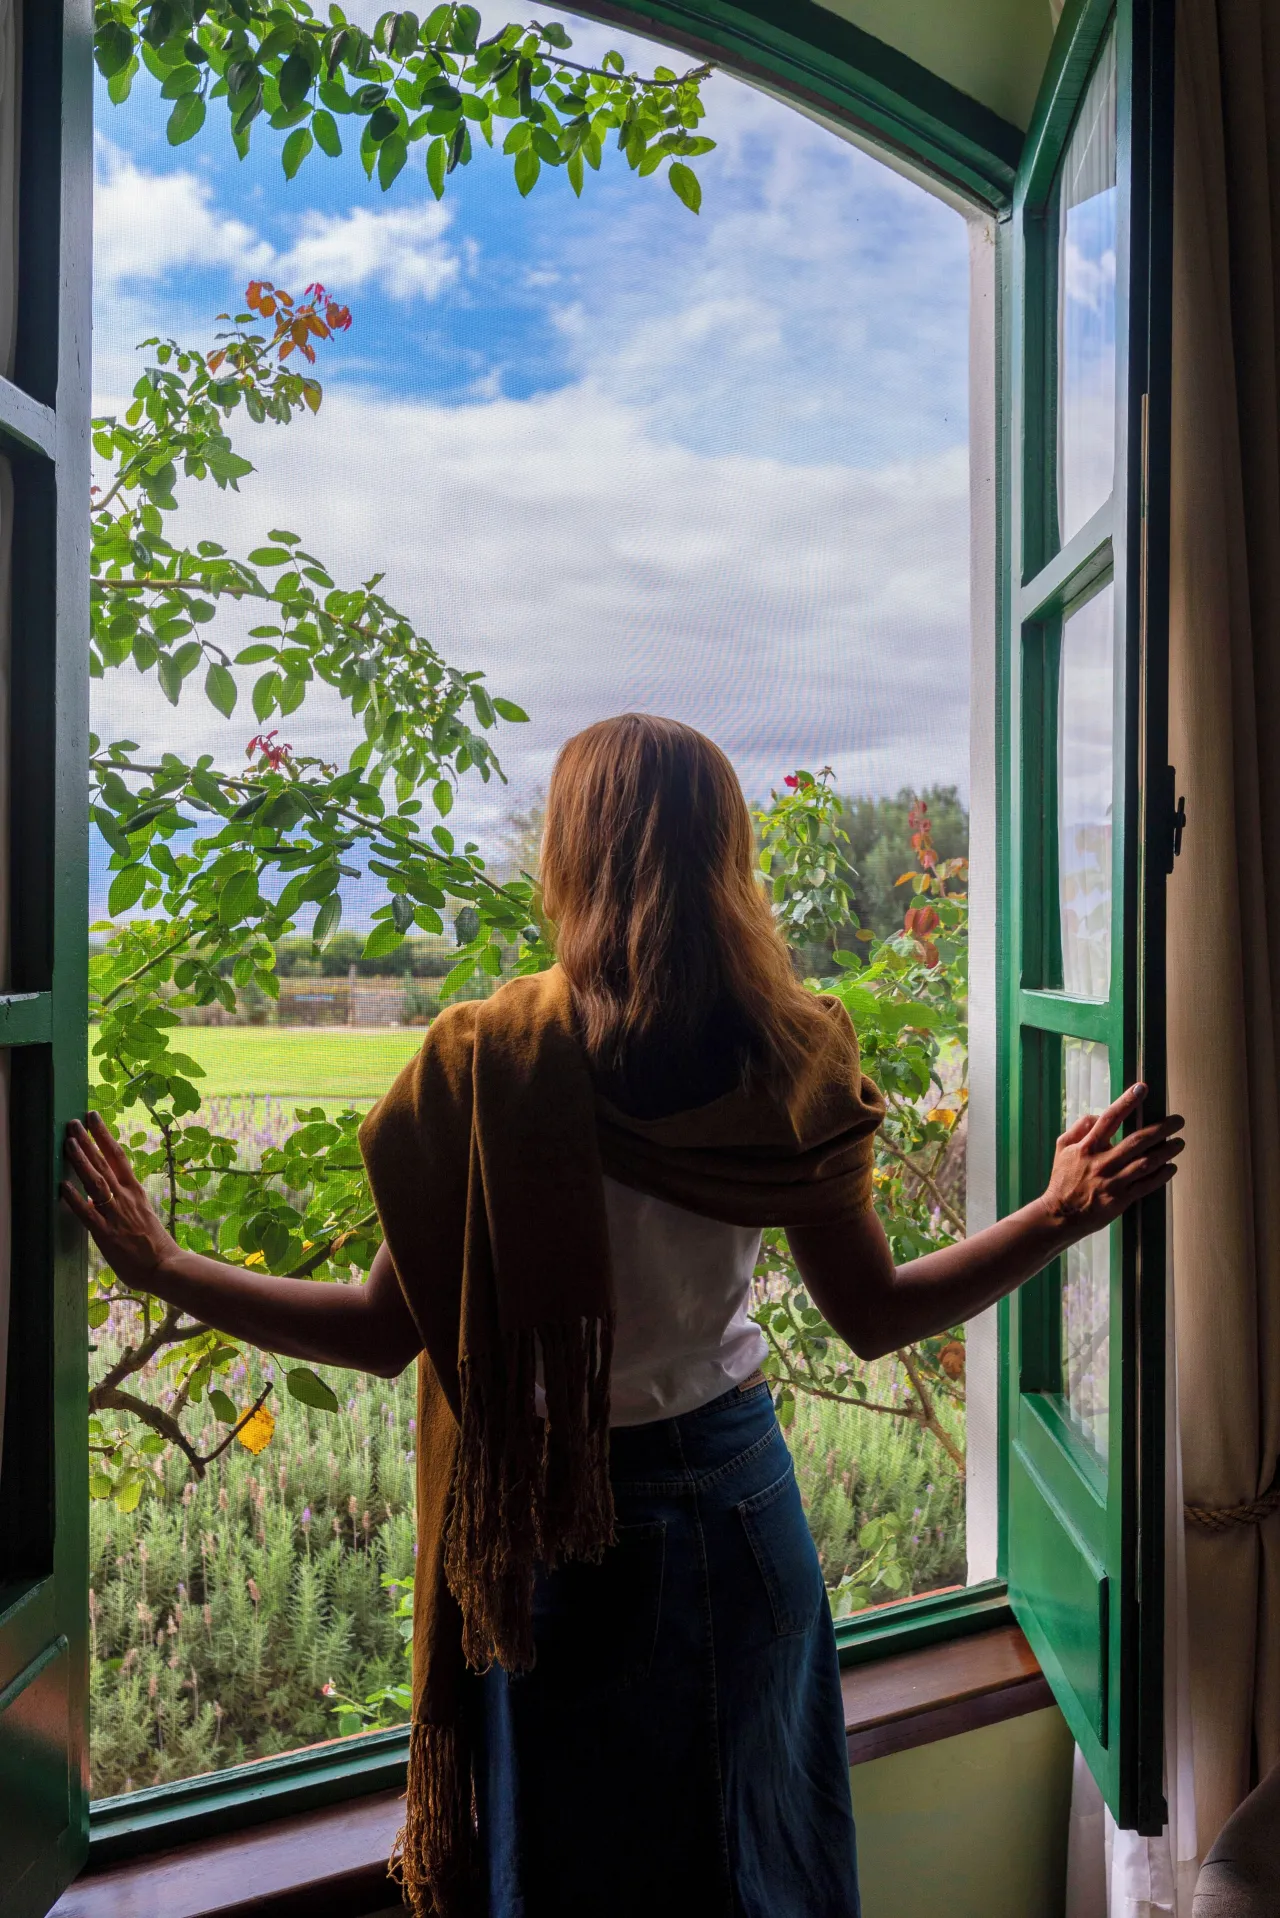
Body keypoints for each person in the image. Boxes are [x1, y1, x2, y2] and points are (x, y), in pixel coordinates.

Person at [64, 714, 1183, 1918]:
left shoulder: (484, 1064)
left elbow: (380, 1331)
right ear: (726, 856)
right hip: (744, 1512)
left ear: (568, 852)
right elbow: (872, 1313)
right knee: (758, 1869)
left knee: (573, 1877)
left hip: (557, 1534)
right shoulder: (787, 1053)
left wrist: (168, 1267)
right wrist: (1054, 1215)